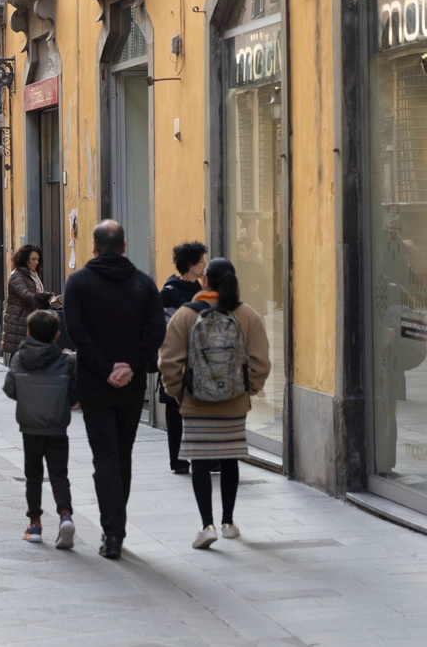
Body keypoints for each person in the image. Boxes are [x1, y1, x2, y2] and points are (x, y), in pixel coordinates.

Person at [62, 220, 167, 560]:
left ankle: (113, 531)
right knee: (123, 453)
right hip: (131, 385)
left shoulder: (78, 283)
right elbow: (155, 332)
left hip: (94, 383)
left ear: (93, 248)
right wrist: (130, 366)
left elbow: (76, 331)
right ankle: (115, 528)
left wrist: (106, 368)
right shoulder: (144, 284)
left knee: (105, 456)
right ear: (124, 247)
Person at [158, 258, 271, 550]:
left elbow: (168, 361)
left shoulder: (186, 314)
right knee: (230, 458)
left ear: (205, 281)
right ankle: (228, 522)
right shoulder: (248, 315)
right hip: (234, 403)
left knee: (199, 460)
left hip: (195, 402)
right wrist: (247, 391)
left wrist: (179, 393)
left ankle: (206, 524)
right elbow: (260, 362)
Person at [3, 309, 77, 549]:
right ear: (57, 335)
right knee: (59, 474)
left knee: (33, 476)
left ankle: (35, 524)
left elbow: (10, 389)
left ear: (28, 332)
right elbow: (74, 396)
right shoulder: (66, 361)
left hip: (30, 428)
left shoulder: (18, 358)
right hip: (57, 427)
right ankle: (65, 516)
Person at [160, 241, 209, 475]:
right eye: (201, 261)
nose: (205, 265)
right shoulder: (170, 292)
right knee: (175, 410)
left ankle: (206, 458)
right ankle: (177, 459)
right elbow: (168, 328)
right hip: (178, 360)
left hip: (199, 361)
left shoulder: (200, 288)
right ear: (190, 265)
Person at [2, 244, 59, 366]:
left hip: (29, 319)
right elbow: (25, 294)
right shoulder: (16, 276)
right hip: (19, 321)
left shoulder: (33, 275)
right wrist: (45, 296)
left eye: (38, 259)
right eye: (33, 259)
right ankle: (14, 379)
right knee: (17, 353)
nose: (36, 262)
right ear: (24, 259)